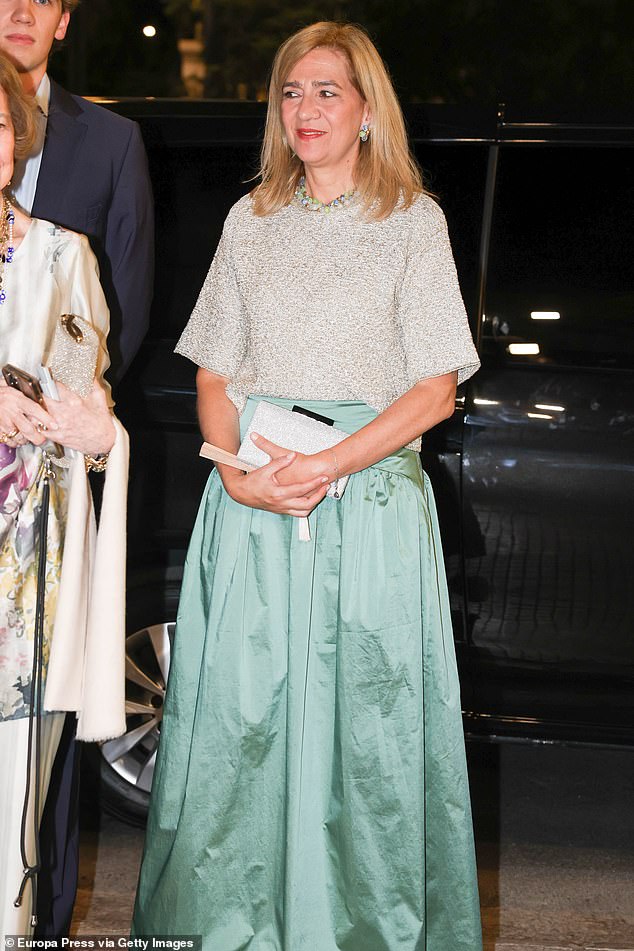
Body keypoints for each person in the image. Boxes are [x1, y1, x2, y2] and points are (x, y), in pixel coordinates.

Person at [133, 21, 482, 950]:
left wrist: (326, 464)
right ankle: (226, 928)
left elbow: (436, 388)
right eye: (292, 91)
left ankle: (363, 930)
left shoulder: (415, 221)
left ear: (368, 110)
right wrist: (240, 475)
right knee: (239, 733)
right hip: (253, 507)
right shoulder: (251, 221)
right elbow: (213, 373)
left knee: (365, 738)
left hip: (364, 511)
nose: (306, 108)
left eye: (328, 90)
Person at [0, 1, 154, 934]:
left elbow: (112, 322)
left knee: (30, 761)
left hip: (34, 518)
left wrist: (69, 422)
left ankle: (35, 922)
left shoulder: (104, 158)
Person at [0, 0, 154, 383]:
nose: (23, 13)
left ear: (63, 22)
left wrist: (66, 414)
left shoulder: (113, 141)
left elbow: (126, 305)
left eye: (42, 0)